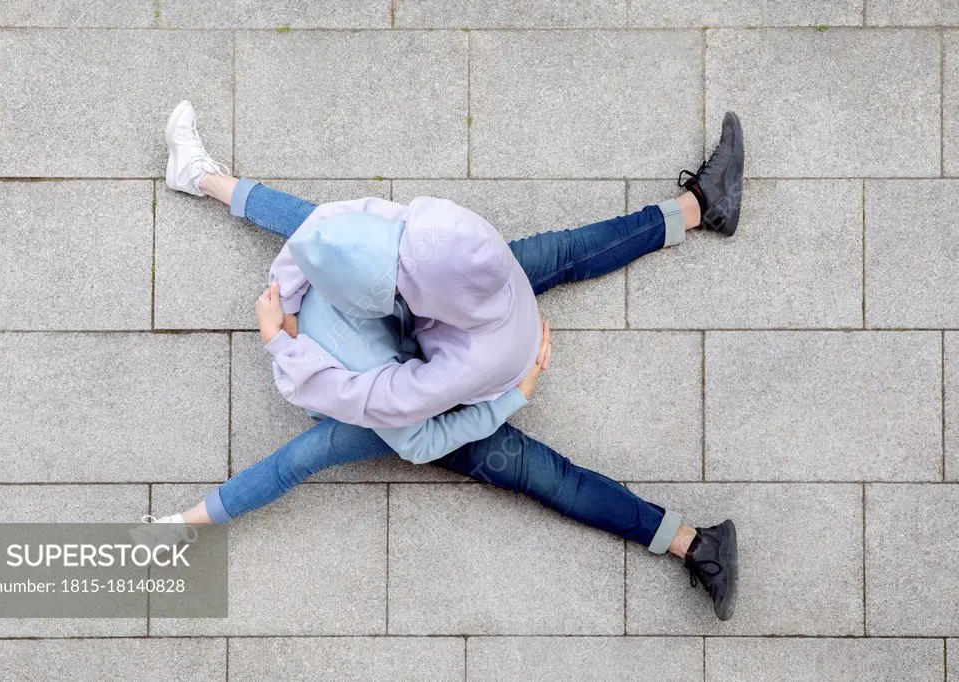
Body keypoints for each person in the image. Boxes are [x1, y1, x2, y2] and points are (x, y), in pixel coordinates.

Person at [133, 101, 744, 621]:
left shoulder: (427, 378)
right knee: (568, 249)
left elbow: (417, 435)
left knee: (543, 475)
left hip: (451, 405)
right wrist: (294, 308)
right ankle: (700, 207)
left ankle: (692, 545)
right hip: (462, 317)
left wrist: (514, 396)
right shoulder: (440, 243)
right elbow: (329, 226)